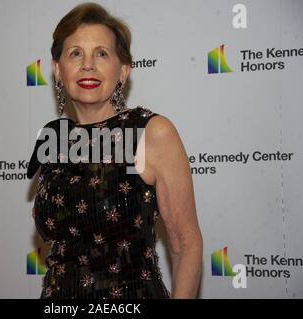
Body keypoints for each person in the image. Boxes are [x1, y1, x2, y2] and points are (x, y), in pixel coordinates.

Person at [27, 2, 203, 299]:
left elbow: (186, 245)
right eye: (75, 53)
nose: (87, 65)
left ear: (123, 70)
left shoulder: (148, 132)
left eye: (101, 53)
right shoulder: (54, 139)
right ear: (58, 70)